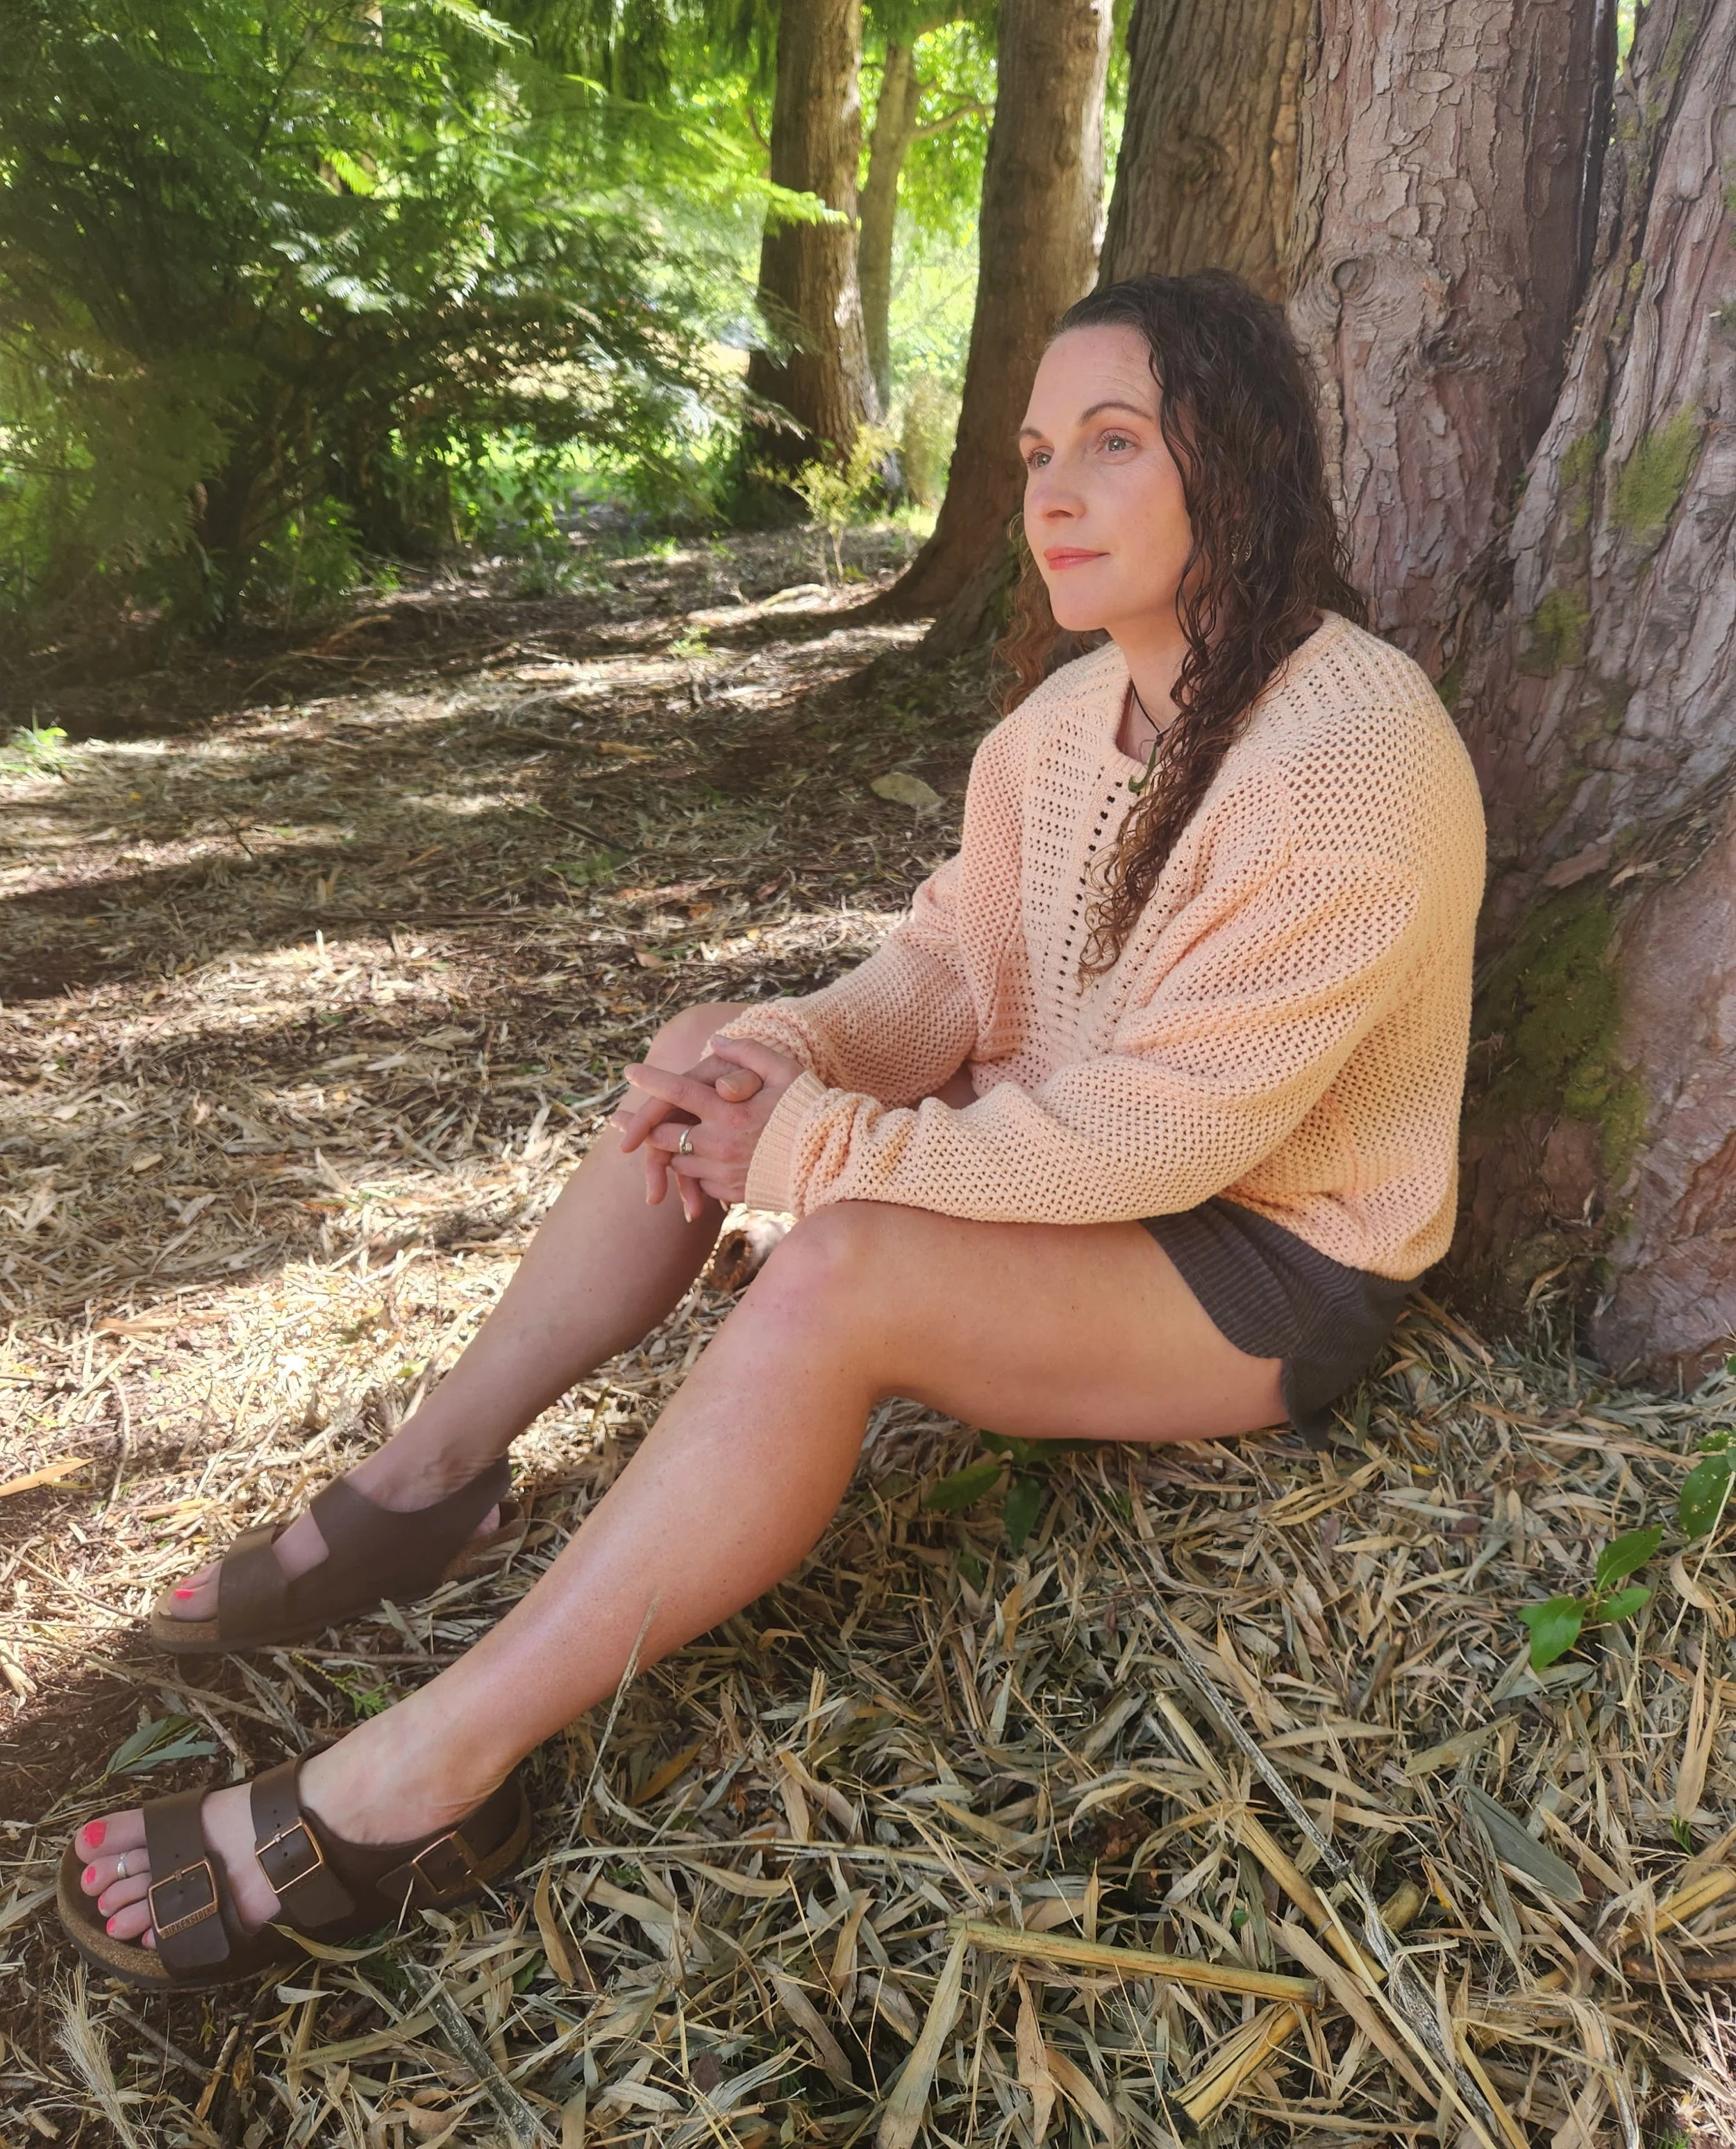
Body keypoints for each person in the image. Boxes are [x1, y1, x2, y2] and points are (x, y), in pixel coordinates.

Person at [59, 270, 1486, 1989]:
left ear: (1235, 463)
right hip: (1077, 1165)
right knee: (702, 1055)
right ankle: (424, 1481)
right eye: (1036, 448)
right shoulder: (1059, 720)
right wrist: (780, 1057)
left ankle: (415, 1777)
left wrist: (815, 1153)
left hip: (1253, 1261)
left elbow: (1151, 1146)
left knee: (835, 1273)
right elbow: (953, 961)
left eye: (1112, 444)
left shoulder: (1348, 752)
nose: (1048, 493)